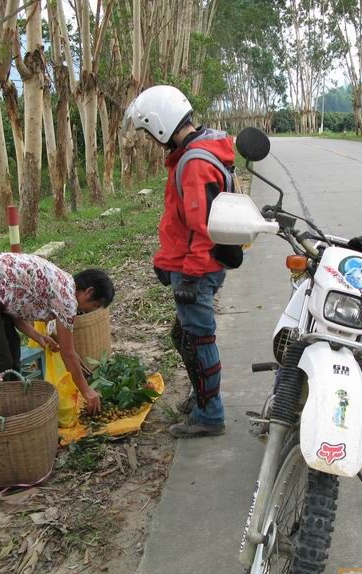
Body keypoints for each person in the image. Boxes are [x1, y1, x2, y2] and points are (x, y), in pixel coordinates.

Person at [124, 85, 240, 438]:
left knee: (198, 339)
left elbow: (202, 227)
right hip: (193, 266)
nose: (149, 138)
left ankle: (210, 415)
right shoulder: (200, 151)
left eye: (148, 130)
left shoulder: (193, 163)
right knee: (184, 335)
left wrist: (189, 275)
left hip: (198, 270)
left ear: (161, 124)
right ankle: (202, 396)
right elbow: (183, 221)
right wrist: (166, 259)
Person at [0, 253, 114, 414]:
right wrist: (87, 391)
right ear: (88, 292)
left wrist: (37, 335)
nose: (88, 311)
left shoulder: (64, 282)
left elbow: (14, 307)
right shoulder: (68, 299)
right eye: (95, 305)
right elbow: (68, 353)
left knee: (12, 353)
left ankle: (11, 408)